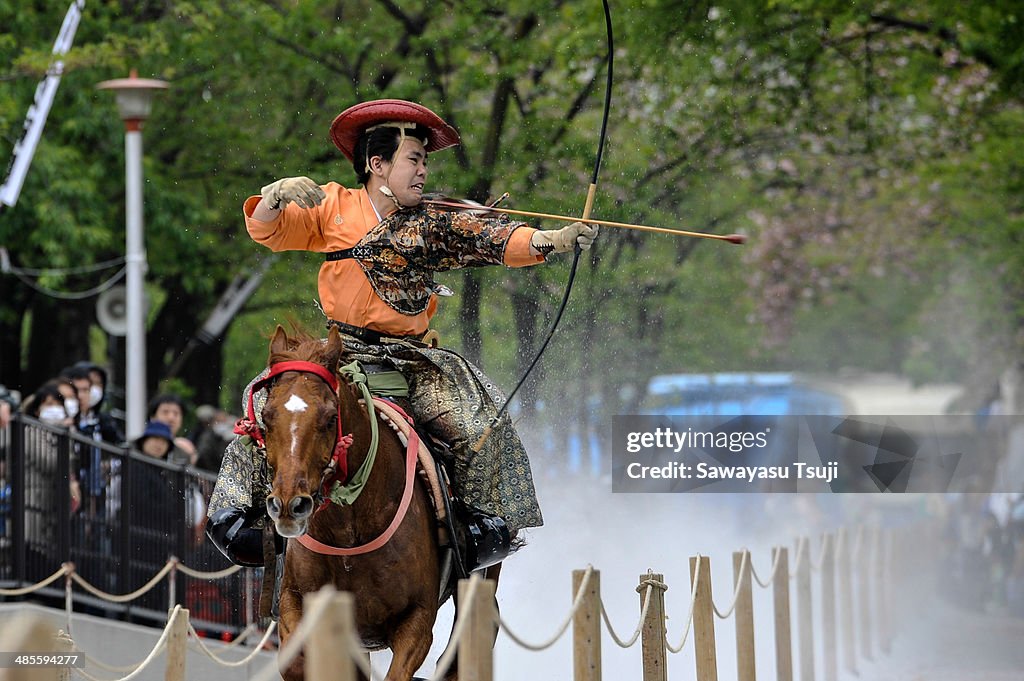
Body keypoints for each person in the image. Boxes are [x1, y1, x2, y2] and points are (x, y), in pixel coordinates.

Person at [207, 99, 598, 571]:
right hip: (338, 355)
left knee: (479, 424)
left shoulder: (431, 222)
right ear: (378, 164)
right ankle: (232, 518)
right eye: (414, 160)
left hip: (411, 362)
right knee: (266, 411)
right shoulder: (332, 207)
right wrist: (273, 196)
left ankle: (483, 526)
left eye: (424, 162)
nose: (423, 172)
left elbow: (487, 237)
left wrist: (549, 240)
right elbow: (267, 231)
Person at [147, 394, 198, 466]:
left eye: (176, 413)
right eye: (165, 412)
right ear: (152, 417)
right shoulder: (137, 447)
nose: (171, 418)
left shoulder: (183, 453)